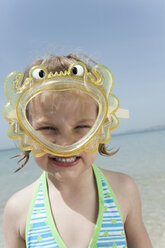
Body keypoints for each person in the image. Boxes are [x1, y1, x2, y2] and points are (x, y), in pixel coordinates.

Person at [2, 54, 152, 248]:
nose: (65, 144)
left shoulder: (123, 189)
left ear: (101, 128)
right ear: (24, 131)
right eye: (48, 128)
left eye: (81, 127)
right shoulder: (18, 209)